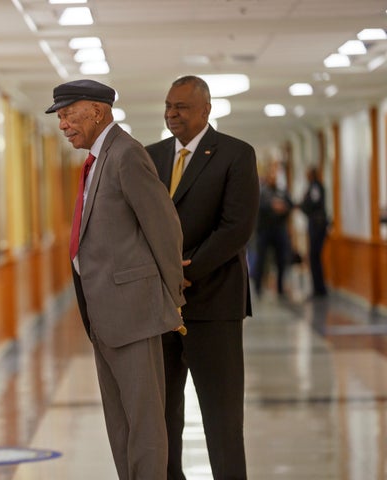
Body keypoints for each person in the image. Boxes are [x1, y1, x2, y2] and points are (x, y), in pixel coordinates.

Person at [46, 79, 186, 480]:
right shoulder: (96, 159)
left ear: (97, 111)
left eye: (68, 114)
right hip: (104, 312)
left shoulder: (126, 154)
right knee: (120, 421)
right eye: (60, 116)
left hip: (134, 312)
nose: (63, 124)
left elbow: (165, 228)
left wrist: (173, 297)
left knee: (143, 423)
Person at [145, 75, 259, 480]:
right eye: (168, 106)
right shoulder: (150, 156)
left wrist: (186, 271)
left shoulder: (235, 154)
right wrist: (163, 276)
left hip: (214, 304)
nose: (172, 114)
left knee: (223, 421)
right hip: (159, 310)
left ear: (206, 110)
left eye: (182, 107)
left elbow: (236, 227)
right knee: (162, 421)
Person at [254, 160, 294, 297]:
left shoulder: (282, 192)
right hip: (264, 230)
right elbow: (259, 206)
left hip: (279, 230)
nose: (273, 177)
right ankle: (258, 287)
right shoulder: (262, 191)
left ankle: (280, 287)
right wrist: (273, 206)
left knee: (281, 259)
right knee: (261, 259)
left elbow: (290, 204)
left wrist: (283, 207)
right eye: (271, 175)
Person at [300, 166, 328, 297]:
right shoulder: (313, 186)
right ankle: (317, 287)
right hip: (315, 223)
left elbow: (312, 203)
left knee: (314, 255)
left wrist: (302, 205)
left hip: (317, 224)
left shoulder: (315, 187)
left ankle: (319, 288)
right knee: (314, 256)